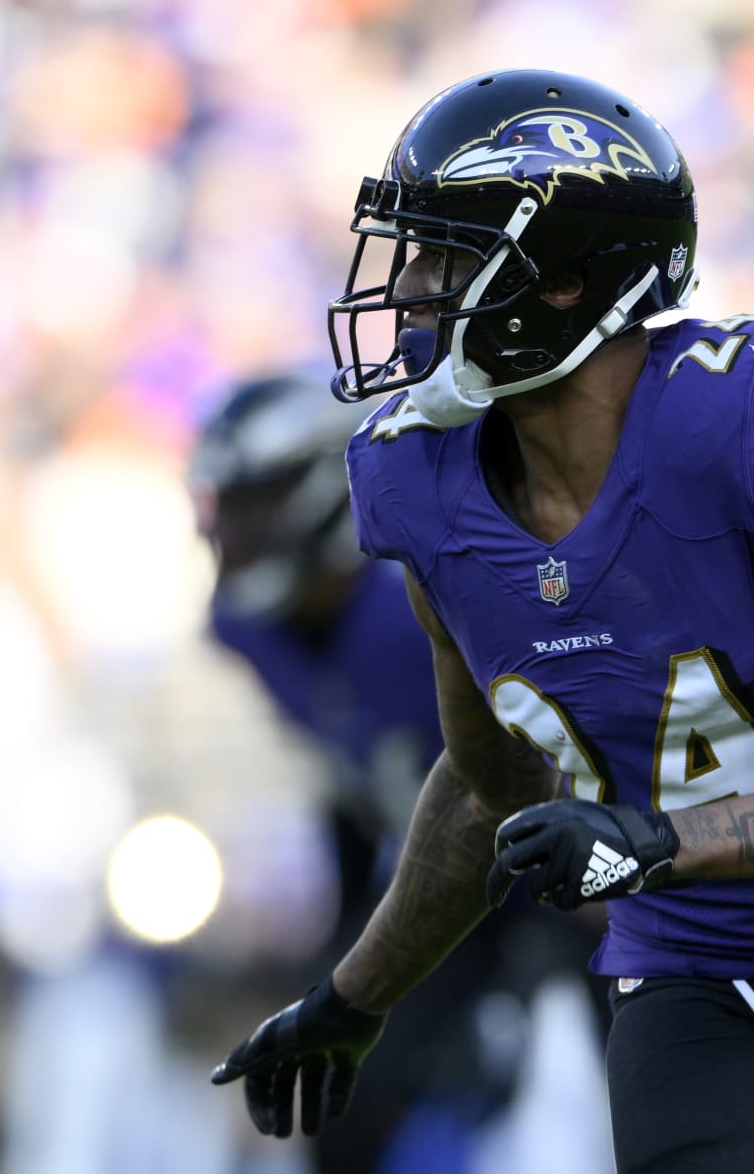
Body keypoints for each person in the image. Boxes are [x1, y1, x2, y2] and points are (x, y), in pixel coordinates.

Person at [212, 69, 754, 1173]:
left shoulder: (745, 415)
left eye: (447, 256)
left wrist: (659, 843)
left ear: (563, 284)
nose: (412, 292)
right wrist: (354, 995)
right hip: (692, 983)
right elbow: (489, 782)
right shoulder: (415, 481)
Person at [190, 375, 611, 1173]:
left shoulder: (414, 601)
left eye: (258, 503)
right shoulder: (251, 630)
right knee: (332, 1102)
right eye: (228, 509)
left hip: (564, 868)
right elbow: (351, 776)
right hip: (444, 879)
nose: (236, 534)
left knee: (612, 1087)